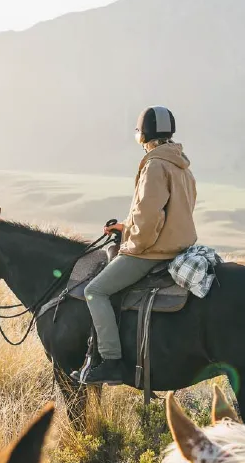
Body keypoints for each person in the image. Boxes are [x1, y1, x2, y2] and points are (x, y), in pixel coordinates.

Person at [77, 106, 197, 385]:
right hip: (180, 247)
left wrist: (131, 243)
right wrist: (125, 226)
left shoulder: (155, 166)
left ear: (144, 135)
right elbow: (170, 212)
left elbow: (148, 219)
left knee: (95, 291)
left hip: (153, 252)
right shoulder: (181, 165)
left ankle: (111, 362)